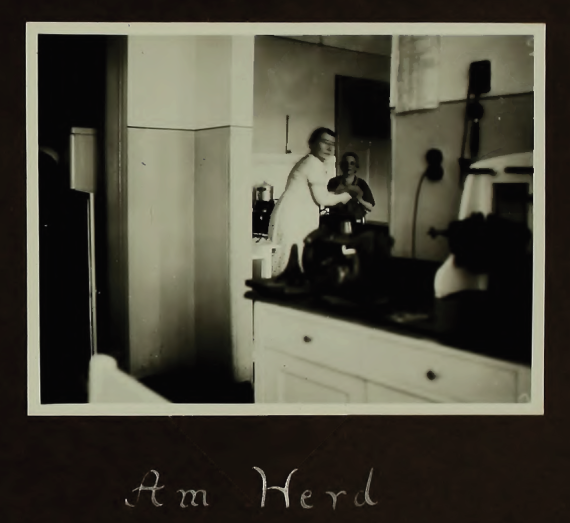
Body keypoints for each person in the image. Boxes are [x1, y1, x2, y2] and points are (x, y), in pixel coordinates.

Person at [268, 128, 356, 276]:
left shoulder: (309, 161)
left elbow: (318, 193)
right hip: (294, 217)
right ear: (312, 143)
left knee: (289, 259)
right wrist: (348, 195)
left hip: (292, 214)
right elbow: (323, 199)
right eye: (325, 142)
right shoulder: (314, 163)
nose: (329, 147)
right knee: (290, 262)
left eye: (333, 144)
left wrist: (338, 194)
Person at [327, 152, 375, 222]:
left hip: (356, 222)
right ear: (342, 165)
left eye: (352, 163)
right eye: (346, 163)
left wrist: (359, 198)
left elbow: (370, 207)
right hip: (335, 220)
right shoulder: (333, 182)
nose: (348, 166)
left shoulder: (361, 183)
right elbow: (326, 202)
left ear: (356, 166)